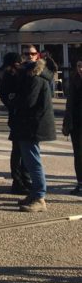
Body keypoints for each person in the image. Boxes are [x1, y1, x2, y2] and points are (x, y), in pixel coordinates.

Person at [11, 55, 56, 212]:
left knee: (33, 161)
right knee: (30, 160)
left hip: (31, 126)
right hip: (30, 125)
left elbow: (27, 102)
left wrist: (14, 99)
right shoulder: (35, 78)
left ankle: (39, 196)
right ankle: (35, 193)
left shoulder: (34, 80)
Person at [0, 52, 32, 195]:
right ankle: (19, 181)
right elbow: (4, 95)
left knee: (23, 150)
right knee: (19, 150)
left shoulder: (21, 74)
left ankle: (24, 179)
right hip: (17, 116)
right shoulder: (10, 76)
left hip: (21, 116)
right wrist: (13, 104)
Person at [64, 60, 82, 196]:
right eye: (79, 66)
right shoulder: (74, 81)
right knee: (78, 155)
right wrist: (67, 123)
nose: (81, 69)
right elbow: (69, 104)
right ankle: (80, 183)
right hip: (76, 124)